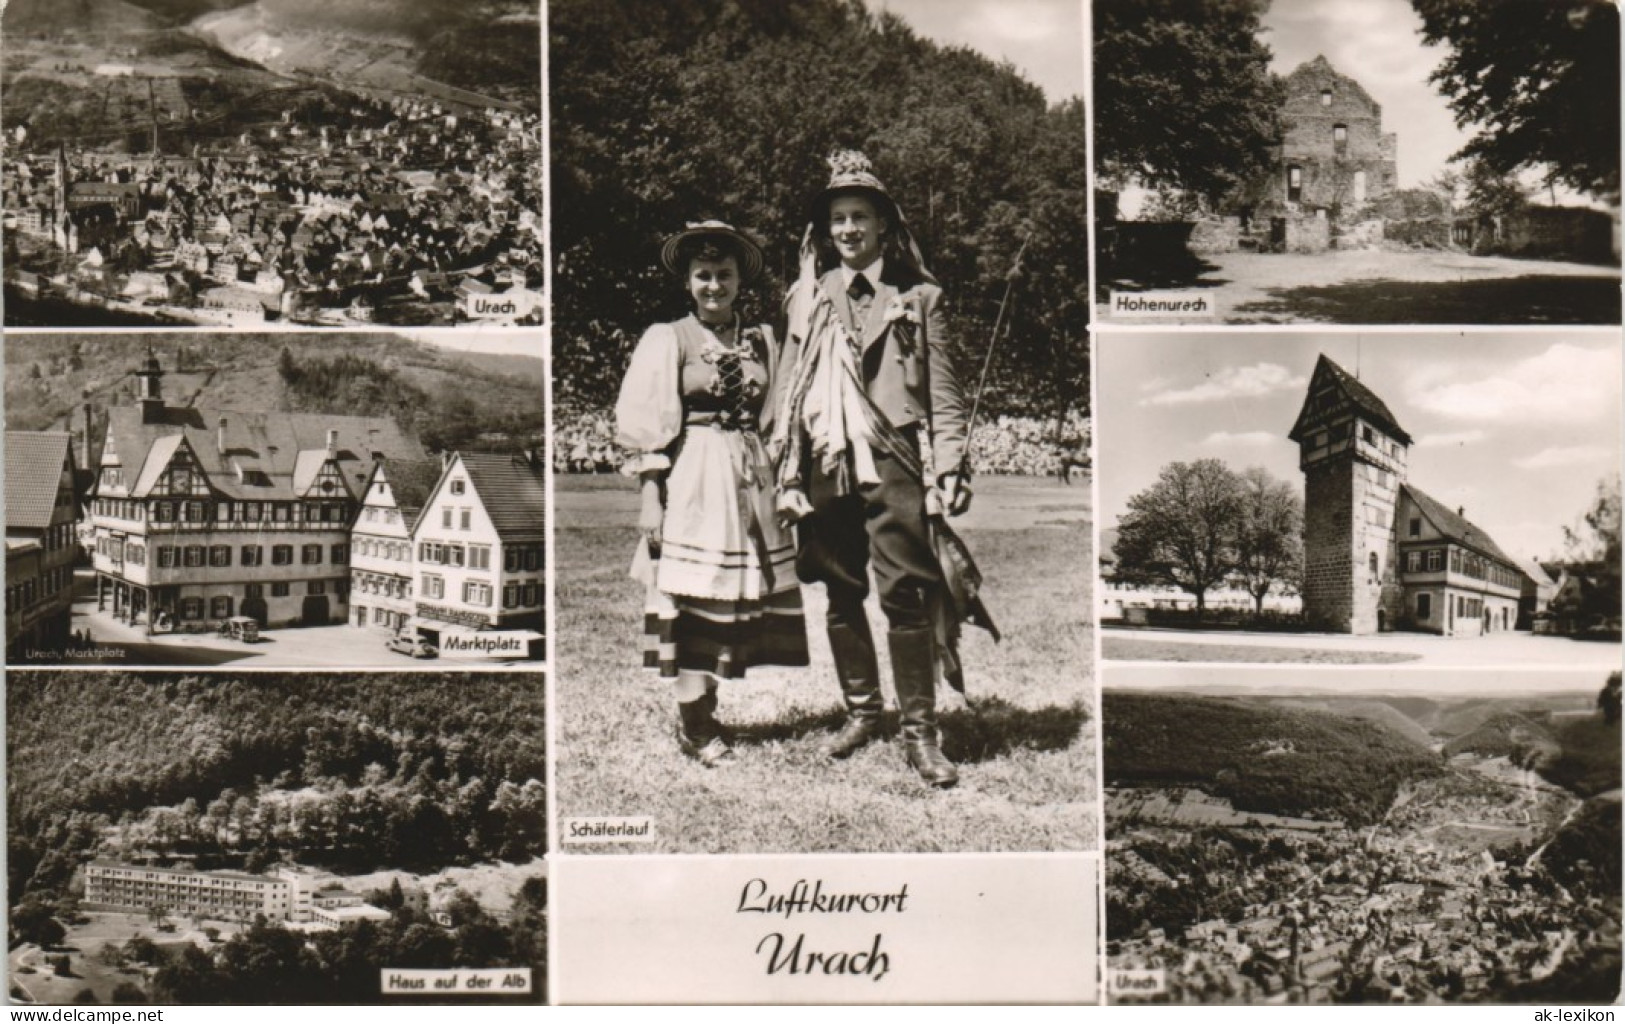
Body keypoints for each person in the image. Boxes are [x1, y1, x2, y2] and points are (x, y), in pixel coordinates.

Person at [770, 151, 973, 789]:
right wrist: (783, 466)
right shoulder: (807, 298)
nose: (850, 229)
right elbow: (790, 385)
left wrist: (954, 463)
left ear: (884, 226)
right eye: (839, 219)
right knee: (839, 587)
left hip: (896, 455)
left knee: (907, 591)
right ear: (826, 231)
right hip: (826, 456)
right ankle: (862, 712)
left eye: (861, 216)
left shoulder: (920, 297)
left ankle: (920, 732)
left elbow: (942, 388)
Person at [616, 221, 809, 766]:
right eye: (703, 276)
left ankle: (708, 710)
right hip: (694, 476)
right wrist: (651, 496)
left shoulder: (762, 341)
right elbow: (648, 424)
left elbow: (778, 413)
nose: (714, 286)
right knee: (691, 597)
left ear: (739, 281)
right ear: (688, 282)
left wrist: (782, 481)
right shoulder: (668, 338)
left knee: (730, 602)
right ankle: (694, 727)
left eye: (724, 275)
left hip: (749, 478)